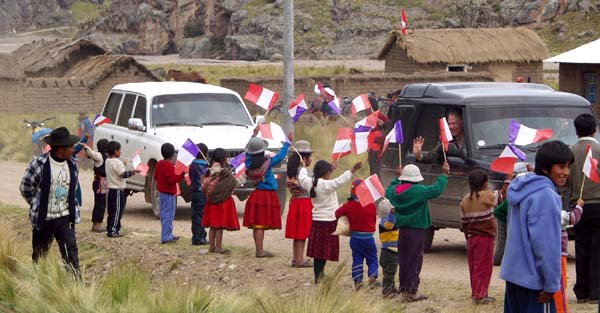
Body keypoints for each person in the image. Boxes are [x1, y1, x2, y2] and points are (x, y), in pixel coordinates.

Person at [501, 141, 572, 313]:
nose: (566, 172)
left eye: (568, 167)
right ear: (546, 169)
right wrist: (551, 283)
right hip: (535, 283)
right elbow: (546, 246)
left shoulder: (522, 189)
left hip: (514, 277)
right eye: (561, 167)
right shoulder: (546, 196)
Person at [19, 127, 83, 275]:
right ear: (61, 148)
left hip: (65, 218)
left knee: (71, 255)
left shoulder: (72, 164)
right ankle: (37, 286)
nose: (73, 150)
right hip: (45, 219)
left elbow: (72, 189)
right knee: (40, 257)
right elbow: (26, 188)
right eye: (70, 147)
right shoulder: (39, 164)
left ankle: (76, 290)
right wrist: (37, 204)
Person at [385, 163, 449, 301]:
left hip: (401, 230)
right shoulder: (419, 191)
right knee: (414, 260)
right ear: (416, 179)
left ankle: (404, 288)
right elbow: (437, 190)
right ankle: (411, 291)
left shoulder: (394, 191)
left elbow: (388, 190)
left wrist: (397, 178)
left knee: (403, 259)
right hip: (417, 230)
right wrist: (444, 174)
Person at [299, 160, 362, 284]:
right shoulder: (326, 185)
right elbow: (339, 181)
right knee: (324, 251)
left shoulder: (309, 183)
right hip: (328, 221)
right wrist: (352, 169)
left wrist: (303, 167)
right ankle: (320, 275)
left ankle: (319, 275)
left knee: (318, 251)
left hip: (317, 220)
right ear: (326, 172)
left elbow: (302, 177)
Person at [569, 113, 600, 304]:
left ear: (576, 130)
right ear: (595, 129)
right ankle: (595, 291)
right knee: (597, 249)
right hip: (599, 204)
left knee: (581, 248)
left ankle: (581, 291)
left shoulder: (570, 151)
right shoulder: (599, 149)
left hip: (578, 205)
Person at [243, 134, 290, 257]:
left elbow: (247, 153)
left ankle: (258, 248)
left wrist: (252, 136)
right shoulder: (267, 162)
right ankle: (260, 251)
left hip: (256, 194)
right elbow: (280, 156)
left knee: (256, 224)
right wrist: (287, 144)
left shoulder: (248, 162)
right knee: (260, 224)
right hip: (266, 195)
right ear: (262, 150)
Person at [460, 169, 501, 305]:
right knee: (483, 267)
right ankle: (479, 295)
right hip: (485, 237)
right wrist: (508, 179)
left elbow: (464, 222)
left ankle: (476, 292)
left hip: (471, 238)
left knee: (474, 266)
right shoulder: (487, 196)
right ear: (485, 184)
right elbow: (503, 196)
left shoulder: (465, 200)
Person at [335, 179, 379, 289]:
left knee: (357, 259)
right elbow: (373, 220)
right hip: (369, 237)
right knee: (372, 258)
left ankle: (358, 280)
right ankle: (372, 275)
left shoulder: (349, 205)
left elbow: (337, 213)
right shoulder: (371, 204)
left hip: (355, 238)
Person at [202, 148, 240, 254]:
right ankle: (218, 247)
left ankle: (211, 247)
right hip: (222, 203)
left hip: (210, 202)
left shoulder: (208, 170)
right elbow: (233, 183)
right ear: (224, 159)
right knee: (219, 226)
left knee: (212, 226)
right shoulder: (224, 172)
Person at [285, 140, 314, 268]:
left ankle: (296, 258)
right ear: (305, 158)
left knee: (297, 233)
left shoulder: (291, 171)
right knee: (302, 233)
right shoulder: (303, 173)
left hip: (295, 202)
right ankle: (300, 259)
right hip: (304, 203)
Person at [105, 141, 139, 238]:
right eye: (119, 150)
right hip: (117, 190)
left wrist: (122, 163)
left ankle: (110, 228)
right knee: (117, 211)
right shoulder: (117, 162)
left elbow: (115, 168)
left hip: (110, 190)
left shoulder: (108, 161)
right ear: (115, 151)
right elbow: (122, 174)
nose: (120, 152)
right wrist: (133, 172)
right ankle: (114, 230)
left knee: (111, 211)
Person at [555, 199, 583, 313]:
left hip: (552, 252)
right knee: (560, 285)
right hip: (559, 253)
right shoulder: (555, 211)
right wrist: (579, 207)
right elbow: (572, 218)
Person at [155, 143, 184, 244]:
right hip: (168, 193)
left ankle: (167, 233)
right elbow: (172, 179)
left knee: (164, 214)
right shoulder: (169, 166)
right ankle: (166, 236)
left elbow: (156, 176)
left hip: (161, 192)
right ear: (173, 154)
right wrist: (181, 176)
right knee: (169, 215)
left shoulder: (159, 164)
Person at [189, 143, 209, 245]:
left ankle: (195, 236)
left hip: (194, 192)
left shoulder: (192, 165)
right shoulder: (204, 166)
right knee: (201, 215)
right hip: (202, 193)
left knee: (195, 215)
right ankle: (200, 238)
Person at [379, 205, 399, 298]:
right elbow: (389, 226)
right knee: (389, 273)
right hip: (388, 252)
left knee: (392, 271)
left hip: (392, 251)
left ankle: (392, 288)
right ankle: (386, 291)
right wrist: (392, 214)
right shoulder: (385, 221)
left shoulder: (389, 220)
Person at [366, 99, 389, 176]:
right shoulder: (368, 118)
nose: (365, 110)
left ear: (371, 107)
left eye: (366, 107)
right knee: (372, 171)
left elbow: (389, 129)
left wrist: (382, 138)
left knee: (375, 172)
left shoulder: (380, 117)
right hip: (371, 150)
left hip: (378, 150)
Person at [91, 139, 109, 233]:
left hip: (99, 183)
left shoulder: (102, 156)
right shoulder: (100, 157)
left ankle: (96, 224)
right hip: (100, 183)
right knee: (100, 204)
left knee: (99, 203)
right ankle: (97, 225)